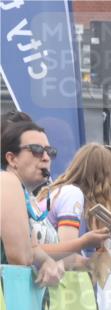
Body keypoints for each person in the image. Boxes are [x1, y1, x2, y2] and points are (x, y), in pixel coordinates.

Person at [36, 143, 111, 265]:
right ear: (103, 177)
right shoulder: (72, 194)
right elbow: (66, 258)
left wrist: (109, 228)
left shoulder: (65, 192)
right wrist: (107, 231)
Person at [0, 119, 64, 285]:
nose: (45, 157)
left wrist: (48, 261)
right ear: (12, 159)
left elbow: (31, 251)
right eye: (36, 150)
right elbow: (21, 257)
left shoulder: (22, 192)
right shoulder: (7, 181)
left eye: (49, 151)